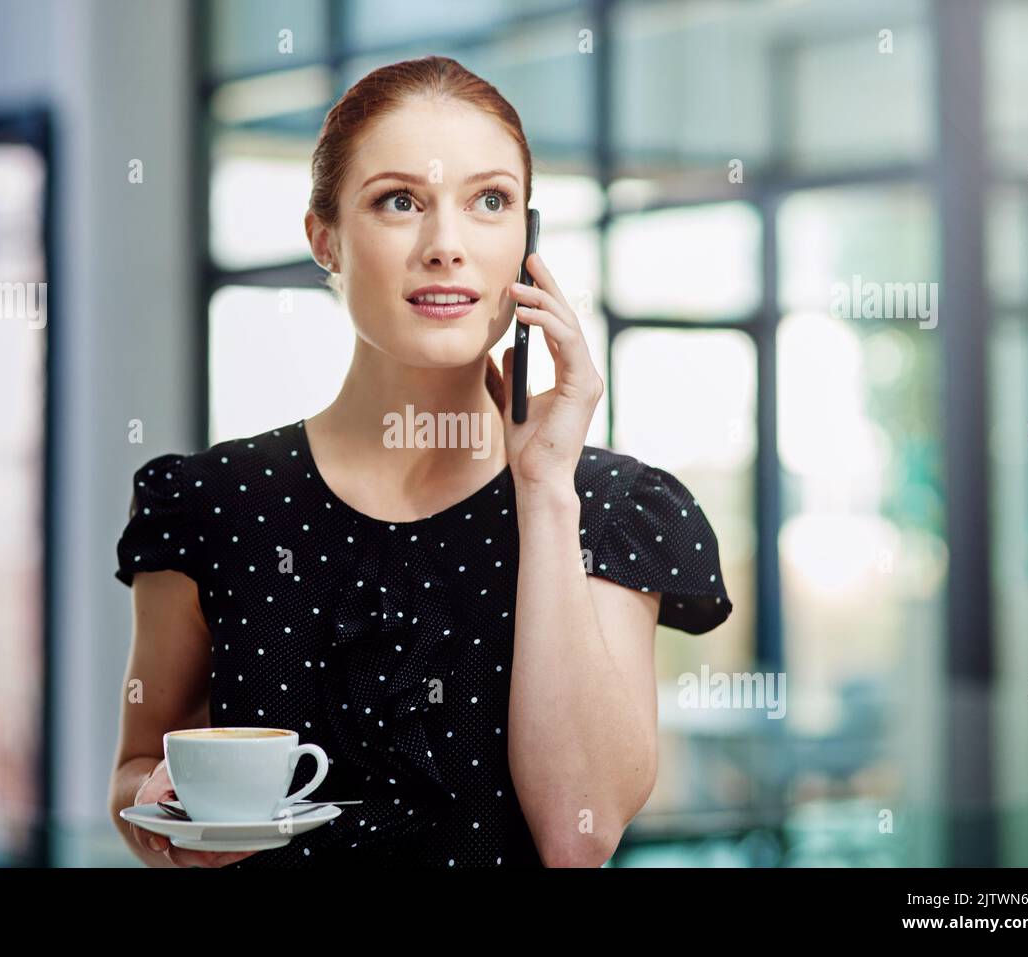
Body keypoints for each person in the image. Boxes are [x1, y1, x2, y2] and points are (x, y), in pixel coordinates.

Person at [107, 54, 732, 869]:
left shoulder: (606, 504)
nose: (446, 246)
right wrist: (157, 825)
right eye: (400, 201)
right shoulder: (209, 503)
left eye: (490, 202)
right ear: (324, 238)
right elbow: (136, 772)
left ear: (527, 241)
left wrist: (545, 488)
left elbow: (579, 835)